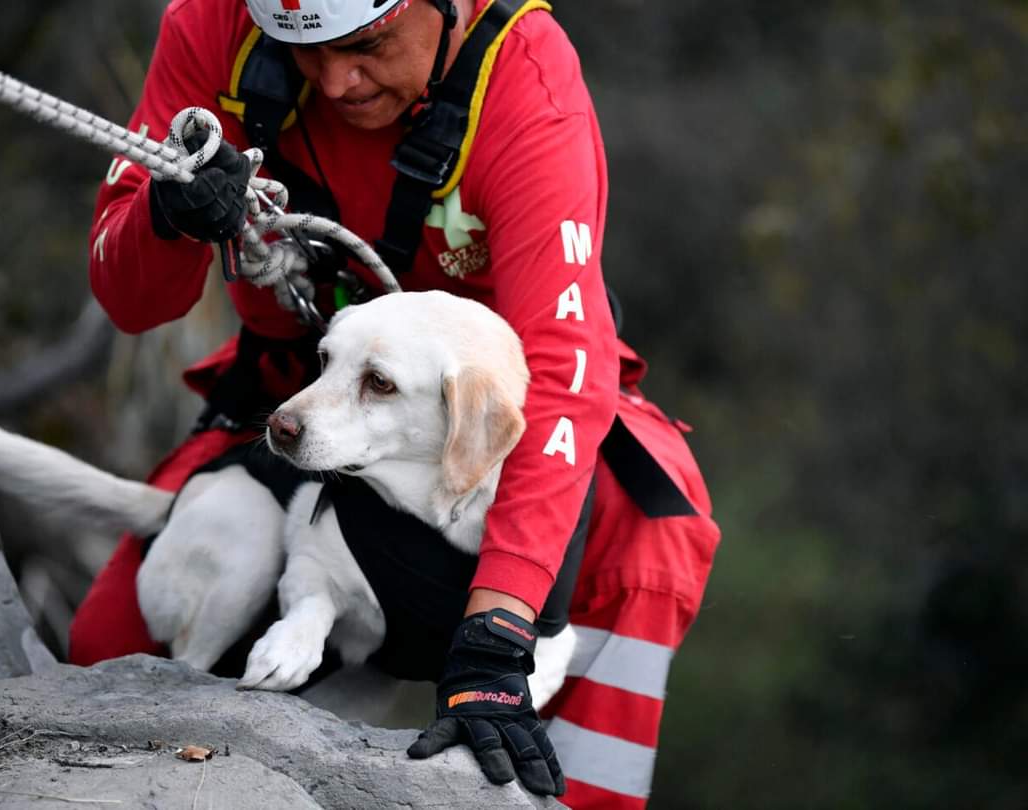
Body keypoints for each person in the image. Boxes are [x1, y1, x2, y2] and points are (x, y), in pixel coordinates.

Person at [76, 0, 721, 806]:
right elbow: (128, 301)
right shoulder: (209, 27)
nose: (338, 81)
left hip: (490, 410)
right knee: (101, 649)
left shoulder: (522, 78)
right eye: (302, 52)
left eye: (368, 44)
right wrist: (166, 215)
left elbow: (561, 367)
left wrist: (499, 627)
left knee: (647, 545)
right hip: (297, 393)